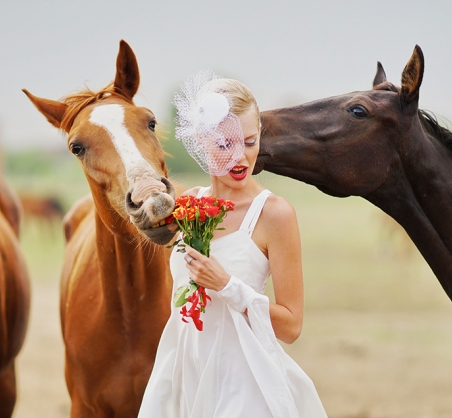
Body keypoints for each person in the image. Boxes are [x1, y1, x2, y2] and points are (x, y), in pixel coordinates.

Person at [138, 72, 327, 418]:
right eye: (225, 145)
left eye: (250, 142)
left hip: (244, 385)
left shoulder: (274, 214)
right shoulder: (187, 206)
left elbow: (291, 327)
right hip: (183, 375)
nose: (240, 158)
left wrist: (227, 286)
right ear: (201, 141)